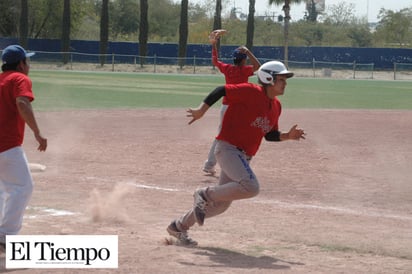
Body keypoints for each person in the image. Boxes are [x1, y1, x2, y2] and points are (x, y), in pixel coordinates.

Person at [167, 60, 306, 246]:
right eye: (281, 79)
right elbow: (221, 90)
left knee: (221, 205)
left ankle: (179, 226)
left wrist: (288, 136)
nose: (285, 83)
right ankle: (203, 193)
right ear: (268, 78)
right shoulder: (251, 91)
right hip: (228, 149)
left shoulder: (276, 106)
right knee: (251, 187)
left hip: (243, 157)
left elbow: (270, 134)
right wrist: (201, 110)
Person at [0, 45, 47, 251]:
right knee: (22, 187)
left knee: (2, 190)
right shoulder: (20, 79)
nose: (29, 65)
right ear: (20, 64)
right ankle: (6, 234)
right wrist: (37, 132)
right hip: (7, 146)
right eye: (27, 61)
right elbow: (22, 102)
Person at [203, 30, 261, 175]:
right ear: (243, 60)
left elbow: (215, 61)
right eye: (245, 58)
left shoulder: (228, 69)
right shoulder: (245, 70)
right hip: (239, 109)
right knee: (228, 136)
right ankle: (213, 165)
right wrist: (248, 52)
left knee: (224, 135)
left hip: (226, 106)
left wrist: (214, 45)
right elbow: (258, 66)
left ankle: (214, 165)